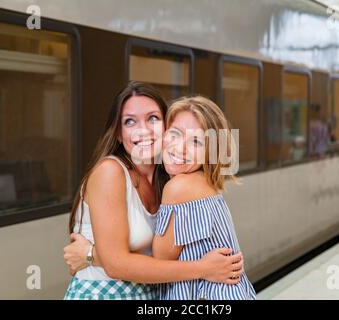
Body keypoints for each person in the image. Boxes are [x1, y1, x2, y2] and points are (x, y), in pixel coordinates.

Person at [63, 82, 244, 300]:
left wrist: (91, 254)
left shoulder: (172, 179)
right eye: (130, 121)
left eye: (153, 118)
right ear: (119, 134)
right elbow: (117, 265)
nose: (143, 130)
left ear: (165, 126)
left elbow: (158, 257)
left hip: (148, 295)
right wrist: (204, 268)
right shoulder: (110, 172)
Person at [152, 96, 256, 300]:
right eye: (175, 134)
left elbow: (159, 261)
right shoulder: (205, 182)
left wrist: (96, 254)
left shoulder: (178, 188)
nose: (180, 148)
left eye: (196, 141)